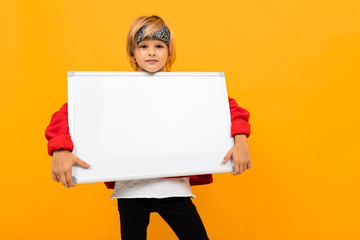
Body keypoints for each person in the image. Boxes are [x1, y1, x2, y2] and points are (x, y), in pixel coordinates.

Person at [45, 15, 251, 240]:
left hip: (173, 189)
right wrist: (60, 149)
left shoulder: (187, 88)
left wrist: (240, 140)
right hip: (130, 192)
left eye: (159, 46)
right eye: (143, 46)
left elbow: (228, 109)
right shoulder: (116, 88)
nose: (151, 52)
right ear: (133, 53)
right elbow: (70, 112)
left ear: (169, 52)